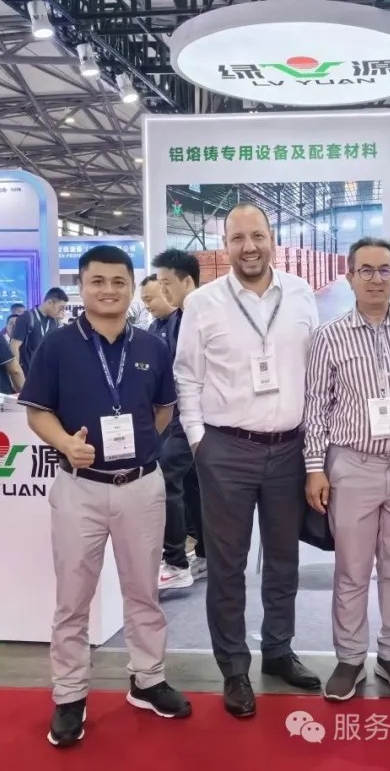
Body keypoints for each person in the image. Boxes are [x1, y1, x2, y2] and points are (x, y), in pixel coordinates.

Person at [18, 245, 191, 748]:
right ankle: (70, 694)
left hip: (141, 486)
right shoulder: (57, 345)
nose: (109, 290)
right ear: (82, 286)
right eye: (98, 281)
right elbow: (37, 411)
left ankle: (148, 679)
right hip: (81, 488)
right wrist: (66, 443)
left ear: (133, 286)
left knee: (144, 592)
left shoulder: (152, 345)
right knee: (73, 599)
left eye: (119, 281)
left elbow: (162, 410)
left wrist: (138, 449)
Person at [174, 203, 321, 718]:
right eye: (238, 238)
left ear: (272, 238)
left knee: (283, 560)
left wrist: (315, 447)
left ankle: (278, 650)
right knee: (227, 565)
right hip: (226, 449)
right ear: (225, 245)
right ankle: (234, 667)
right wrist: (199, 441)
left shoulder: (301, 294)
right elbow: (187, 375)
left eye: (257, 235)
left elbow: (315, 373)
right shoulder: (203, 302)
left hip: (290, 449)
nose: (249, 247)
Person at [304, 237, 390, 701]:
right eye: (367, 270)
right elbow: (316, 407)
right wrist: (315, 468)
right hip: (352, 465)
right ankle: (350, 657)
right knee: (352, 569)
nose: (376, 279)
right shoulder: (328, 336)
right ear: (350, 276)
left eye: (385, 270)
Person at [150, 249, 205, 590]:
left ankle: (175, 562)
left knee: (165, 478)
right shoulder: (174, 320)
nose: (162, 291)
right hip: (180, 417)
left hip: (200, 416)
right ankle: (206, 555)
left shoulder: (206, 316)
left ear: (187, 281)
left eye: (166, 283)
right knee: (193, 485)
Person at [12, 288, 68, 377]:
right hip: (28, 374)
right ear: (50, 302)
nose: (62, 311)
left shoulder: (54, 321)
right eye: (60, 308)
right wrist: (17, 373)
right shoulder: (27, 317)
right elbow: (14, 345)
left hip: (47, 374)